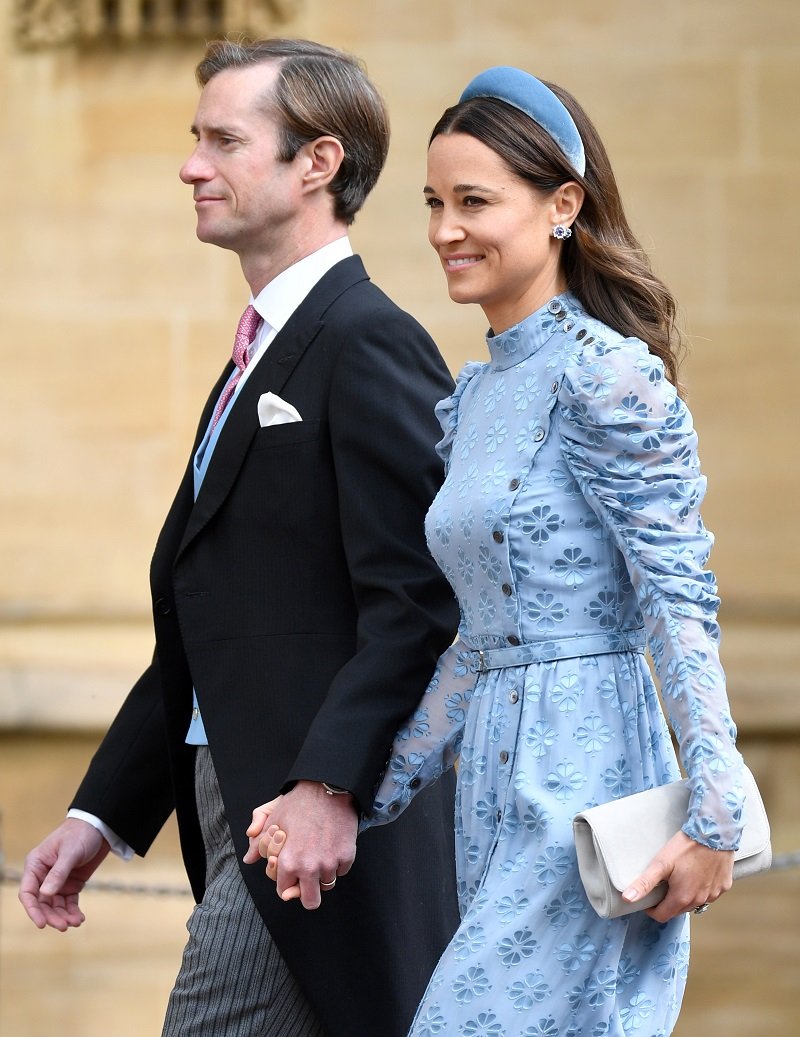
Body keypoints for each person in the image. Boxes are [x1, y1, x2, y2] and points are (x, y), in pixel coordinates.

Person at [256, 66, 746, 1037]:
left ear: (562, 204)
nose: (444, 229)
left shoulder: (609, 374)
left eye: (473, 201)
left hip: (591, 787)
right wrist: (362, 794)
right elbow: (478, 642)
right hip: (489, 789)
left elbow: (674, 597)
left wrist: (717, 811)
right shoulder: (474, 395)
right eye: (433, 202)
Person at [18, 38, 461, 1037]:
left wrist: (325, 782)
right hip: (242, 800)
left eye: (223, 139)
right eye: (194, 139)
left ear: (318, 163)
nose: (191, 164)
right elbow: (212, 618)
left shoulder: (366, 340)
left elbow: (422, 598)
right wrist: (102, 813)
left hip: (304, 815)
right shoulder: (257, 353)